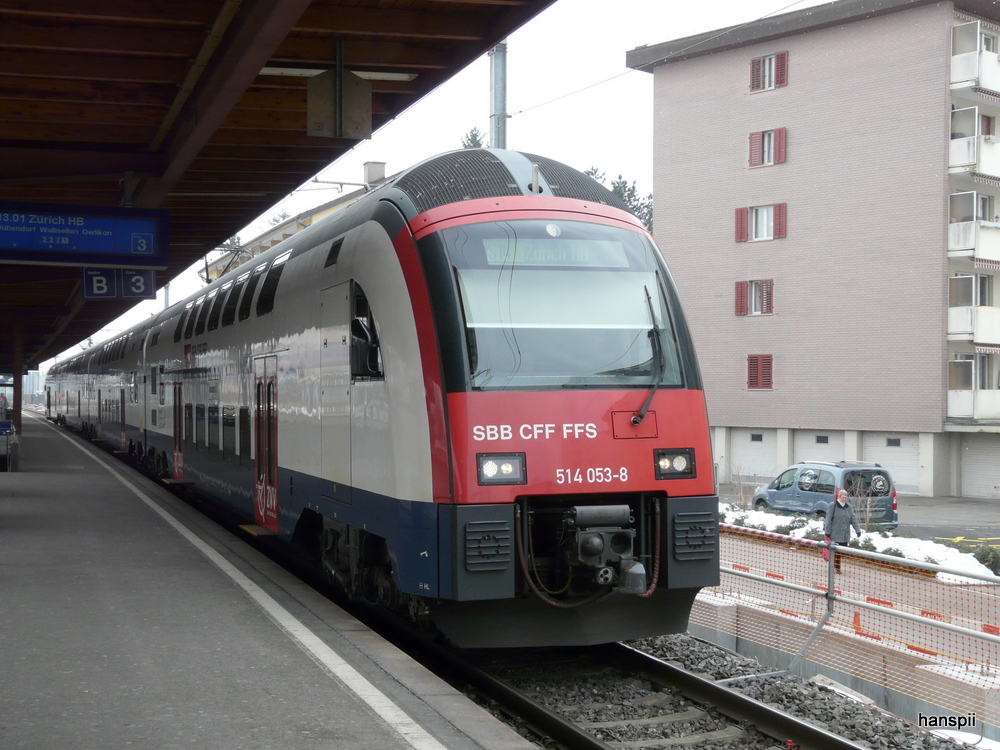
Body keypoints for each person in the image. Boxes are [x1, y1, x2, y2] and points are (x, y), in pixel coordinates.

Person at [824, 489, 861, 572]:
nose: (844, 499)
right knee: (836, 551)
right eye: (843, 497)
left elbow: (853, 519)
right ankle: (836, 567)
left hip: (845, 534)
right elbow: (828, 519)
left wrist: (857, 530)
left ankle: (836, 566)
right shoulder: (832, 506)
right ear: (839, 497)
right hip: (835, 533)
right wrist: (827, 531)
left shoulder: (849, 507)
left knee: (841, 551)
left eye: (846, 498)